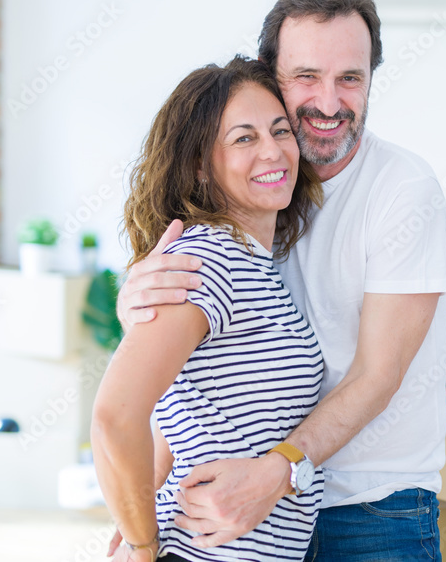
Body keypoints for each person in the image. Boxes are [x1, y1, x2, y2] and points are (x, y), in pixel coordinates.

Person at [116, 0, 446, 561]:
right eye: (306, 77)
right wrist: (140, 309)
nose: (328, 102)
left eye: (350, 78)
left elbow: (376, 375)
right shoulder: (255, 200)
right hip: (245, 516)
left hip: (370, 507)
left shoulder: (404, 192)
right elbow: (178, 384)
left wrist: (279, 471)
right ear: (270, 75)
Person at [91, 56, 326, 562]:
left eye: (280, 130)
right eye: (244, 138)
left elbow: (184, 414)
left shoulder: (255, 264)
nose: (274, 151)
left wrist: (148, 502)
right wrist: (141, 543)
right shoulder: (210, 260)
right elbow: (114, 416)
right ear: (200, 164)